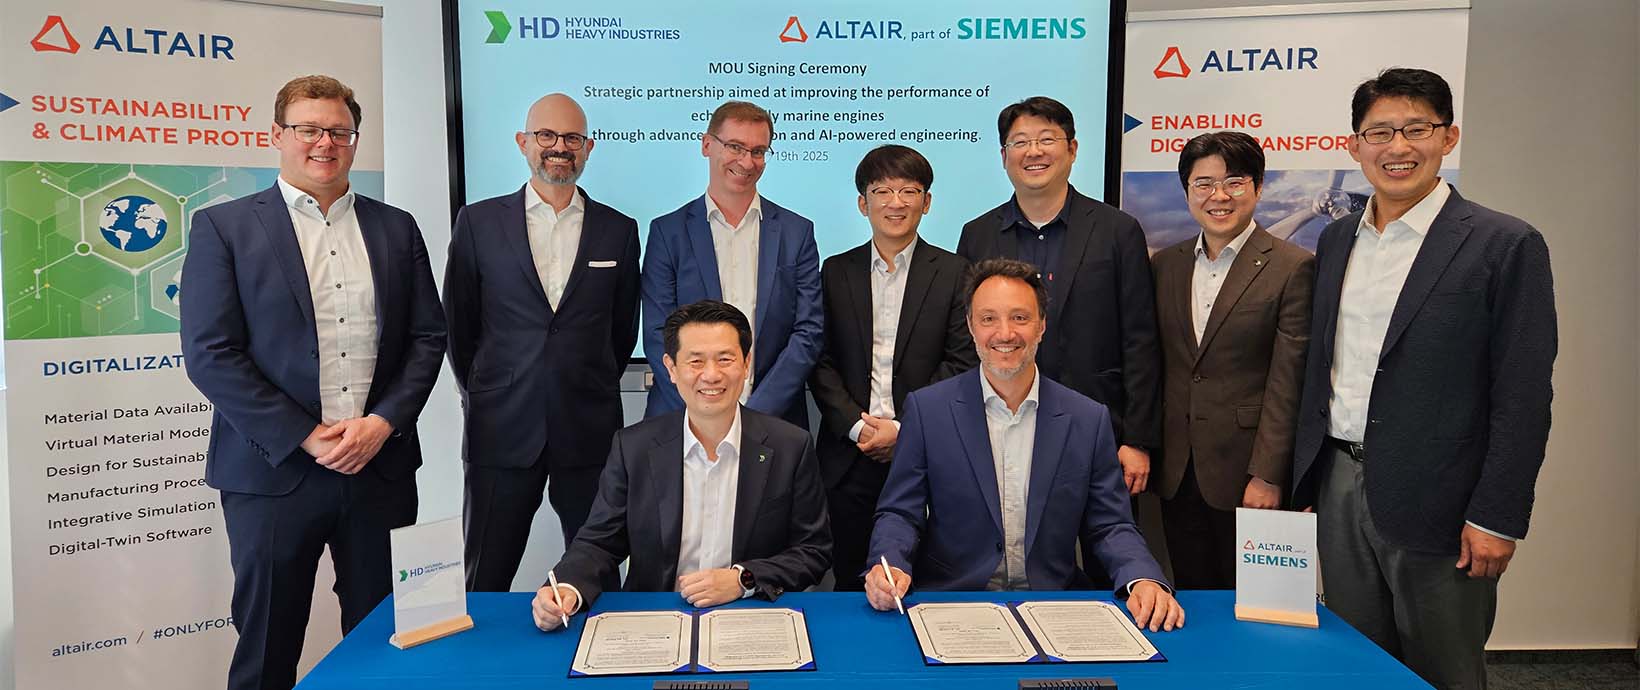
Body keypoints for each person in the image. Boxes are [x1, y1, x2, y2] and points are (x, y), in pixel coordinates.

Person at [1291, 68, 1556, 690]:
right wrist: (1305, 477)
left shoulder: (1504, 243)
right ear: (1354, 145)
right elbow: (1320, 371)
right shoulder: (1336, 241)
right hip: (1339, 485)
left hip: (1444, 500)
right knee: (1358, 667)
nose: (1397, 147)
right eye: (1379, 132)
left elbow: (1522, 395)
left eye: (1416, 129)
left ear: (1448, 137)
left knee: (1445, 670)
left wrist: (1497, 516)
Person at [180, 75, 446, 690]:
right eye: (309, 129)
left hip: (378, 469)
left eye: (339, 131)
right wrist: (306, 435)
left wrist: (382, 423)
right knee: (267, 646)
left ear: (355, 139)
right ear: (278, 135)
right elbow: (211, 353)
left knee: (384, 645)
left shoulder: (396, 227)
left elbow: (427, 337)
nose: (325, 143)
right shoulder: (224, 227)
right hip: (274, 474)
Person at [865, 259, 1184, 632]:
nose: (1005, 333)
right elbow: (900, 512)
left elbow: (1110, 524)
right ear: (970, 326)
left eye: (1020, 318)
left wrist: (1142, 578)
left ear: (1042, 325)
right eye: (989, 319)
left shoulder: (1087, 418)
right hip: (954, 602)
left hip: (1054, 605)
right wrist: (889, 564)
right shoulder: (928, 410)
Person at [956, 98, 1162, 579]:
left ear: (1072, 149)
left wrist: (1136, 440)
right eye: (1020, 142)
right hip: (1001, 430)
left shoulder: (1117, 231)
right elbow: (970, 339)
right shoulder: (977, 234)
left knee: (1108, 559)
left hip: (1101, 430)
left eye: (1047, 140)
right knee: (1005, 562)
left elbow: (1140, 340)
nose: (1034, 152)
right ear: (1004, 155)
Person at [531, 301, 832, 629]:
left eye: (725, 359)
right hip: (656, 619)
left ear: (746, 364)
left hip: (751, 615)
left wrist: (743, 579)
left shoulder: (790, 446)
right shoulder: (634, 447)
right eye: (695, 361)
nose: (711, 375)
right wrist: (566, 587)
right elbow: (598, 542)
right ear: (671, 368)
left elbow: (813, 551)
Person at [443, 93, 640, 592]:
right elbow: (459, 326)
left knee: (598, 576)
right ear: (523, 142)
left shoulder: (618, 230)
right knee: (486, 577)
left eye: (572, 138)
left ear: (588, 147)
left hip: (588, 429)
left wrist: (583, 379)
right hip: (501, 428)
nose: (559, 147)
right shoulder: (477, 223)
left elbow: (621, 331)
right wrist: (488, 389)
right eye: (546, 135)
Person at [808, 145, 977, 590]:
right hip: (850, 455)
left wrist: (903, 428)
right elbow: (820, 359)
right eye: (882, 191)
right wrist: (856, 427)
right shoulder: (836, 271)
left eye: (909, 191)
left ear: (927, 201)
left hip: (928, 451)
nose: (895, 202)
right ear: (863, 203)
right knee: (851, 580)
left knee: (929, 582)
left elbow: (961, 360)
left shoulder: (956, 272)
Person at [1151, 131, 1314, 588]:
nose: (1218, 196)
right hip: (1178, 472)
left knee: (1257, 605)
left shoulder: (1292, 266)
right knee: (1192, 598)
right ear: (1187, 191)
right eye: (1203, 184)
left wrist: (1268, 475)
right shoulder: (1166, 265)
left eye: (1234, 183)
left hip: (1248, 475)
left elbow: (1288, 380)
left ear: (1258, 188)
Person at [641, 101, 823, 428]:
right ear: (707, 145)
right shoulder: (668, 232)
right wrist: (705, 408)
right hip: (681, 418)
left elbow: (808, 331)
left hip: (774, 420)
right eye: (735, 147)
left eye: (758, 151)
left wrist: (754, 415)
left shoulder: (797, 232)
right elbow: (658, 333)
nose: (746, 161)